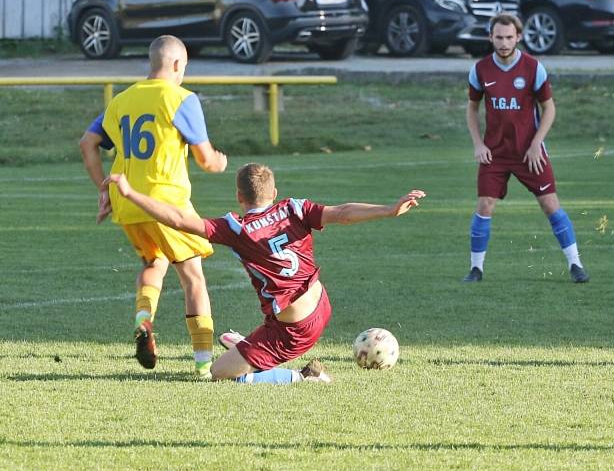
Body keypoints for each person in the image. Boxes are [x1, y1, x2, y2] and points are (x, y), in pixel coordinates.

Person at [104, 163, 425, 384]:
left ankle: (304, 377)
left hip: (293, 332)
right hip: (320, 304)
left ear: (239, 198)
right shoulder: (293, 208)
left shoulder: (236, 228)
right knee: (259, 331)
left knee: (219, 373)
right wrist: (388, 209)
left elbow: (177, 219)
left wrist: (131, 194)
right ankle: (246, 344)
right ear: (274, 192)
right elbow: (342, 213)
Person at [79, 35, 228, 378]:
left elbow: (88, 143)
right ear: (177, 65)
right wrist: (219, 162)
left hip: (128, 200)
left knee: (153, 261)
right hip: (166, 203)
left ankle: (143, 320)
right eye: (184, 68)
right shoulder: (181, 99)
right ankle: (204, 364)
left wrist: (103, 188)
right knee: (193, 278)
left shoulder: (122, 100)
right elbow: (206, 160)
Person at [462, 13, 588, 284]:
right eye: (499, 37)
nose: (504, 42)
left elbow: (549, 107)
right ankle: (475, 270)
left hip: (528, 152)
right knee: (484, 205)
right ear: (490, 38)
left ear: (518, 37)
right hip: (494, 153)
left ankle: (576, 265)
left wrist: (535, 144)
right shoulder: (480, 69)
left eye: (509, 37)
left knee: (550, 203)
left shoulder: (533, 68)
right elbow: (472, 108)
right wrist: (478, 144)